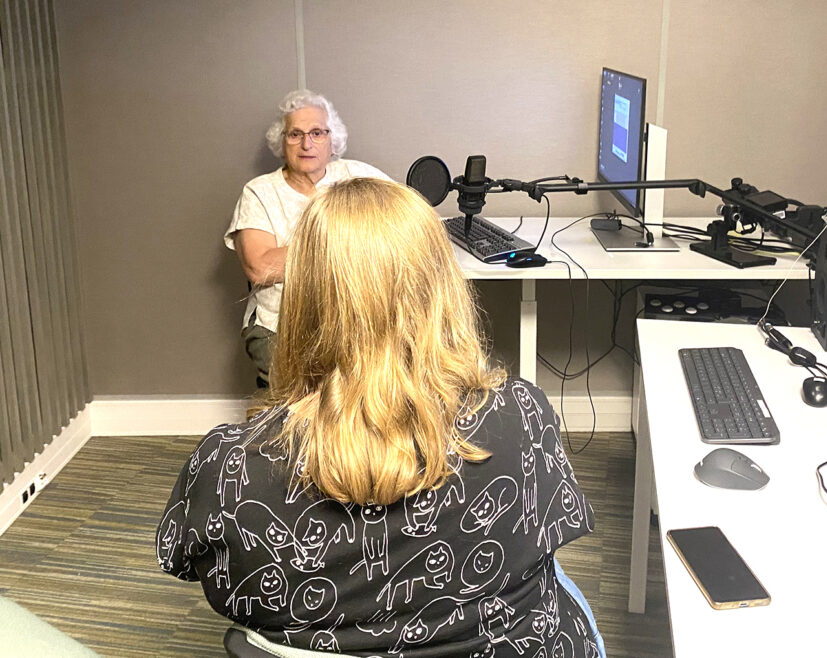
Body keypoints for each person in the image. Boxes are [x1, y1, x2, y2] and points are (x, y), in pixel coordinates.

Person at [158, 178, 605, 656]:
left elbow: (192, 564)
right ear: (441, 285)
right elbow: (550, 533)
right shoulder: (522, 414)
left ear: (305, 293)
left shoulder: (229, 467)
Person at [225, 90, 390, 387]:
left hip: (358, 317)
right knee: (313, 395)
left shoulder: (358, 175)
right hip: (281, 324)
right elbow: (260, 268)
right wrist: (342, 244)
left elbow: (406, 223)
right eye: (295, 134)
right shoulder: (260, 192)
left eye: (317, 132)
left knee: (384, 378)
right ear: (282, 141)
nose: (307, 144)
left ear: (332, 139)